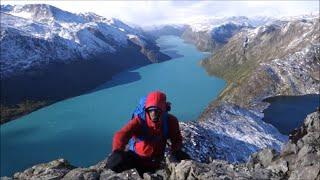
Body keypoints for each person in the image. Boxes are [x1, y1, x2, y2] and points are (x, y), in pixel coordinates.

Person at [107, 91, 190, 176]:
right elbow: (122, 134)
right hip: (136, 157)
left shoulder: (170, 121)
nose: (153, 114)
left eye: (157, 111)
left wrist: (177, 150)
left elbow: (176, 138)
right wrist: (117, 151)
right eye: (150, 111)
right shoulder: (139, 121)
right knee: (115, 164)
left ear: (163, 110)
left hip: (155, 161)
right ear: (146, 110)